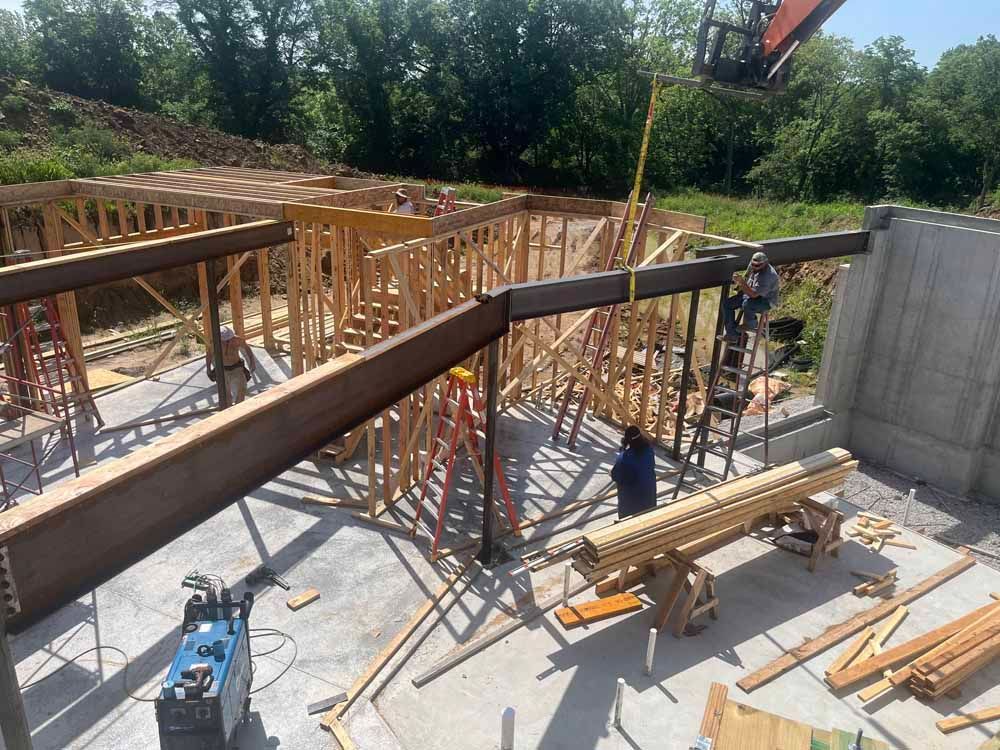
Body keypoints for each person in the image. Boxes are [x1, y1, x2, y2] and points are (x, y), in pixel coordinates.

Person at [724, 250, 780, 341]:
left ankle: (751, 323)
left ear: (765, 263)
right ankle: (732, 334)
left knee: (747, 304)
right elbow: (747, 276)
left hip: (766, 300)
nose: (754, 267)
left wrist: (742, 283)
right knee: (727, 304)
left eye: (757, 266)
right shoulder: (753, 265)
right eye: (753, 264)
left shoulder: (768, 276)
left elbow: (754, 295)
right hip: (752, 294)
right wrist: (739, 286)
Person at [610, 426, 656, 519]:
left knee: (628, 523)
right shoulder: (649, 450)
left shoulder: (624, 458)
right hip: (649, 496)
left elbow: (616, 476)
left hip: (631, 503)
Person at [208, 326, 257, 405]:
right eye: (224, 340)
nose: (227, 342)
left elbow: (247, 349)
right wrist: (208, 368)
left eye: (228, 339)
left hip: (237, 367)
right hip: (223, 369)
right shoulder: (215, 344)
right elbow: (209, 355)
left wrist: (252, 362)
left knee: (242, 390)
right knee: (226, 394)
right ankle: (229, 409)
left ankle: (238, 407)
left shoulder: (237, 340)